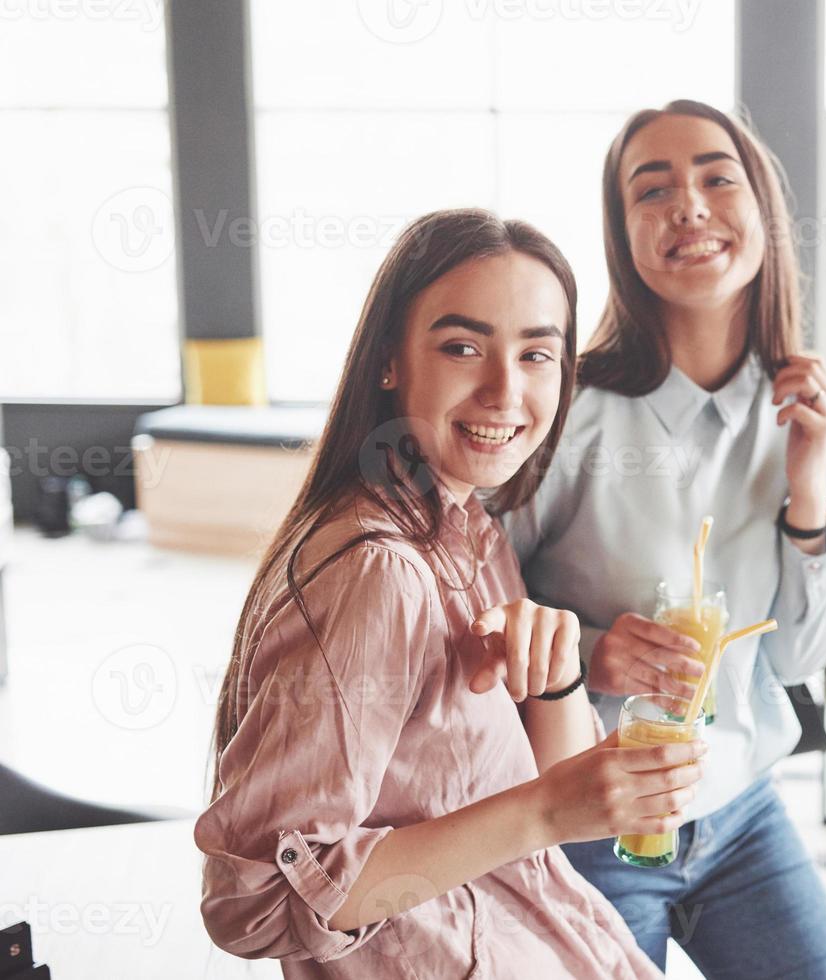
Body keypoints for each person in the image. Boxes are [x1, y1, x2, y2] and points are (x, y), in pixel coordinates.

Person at [196, 209, 703, 978]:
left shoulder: (471, 531)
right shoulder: (377, 570)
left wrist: (559, 675)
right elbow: (255, 904)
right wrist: (544, 808)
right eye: (463, 347)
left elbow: (541, 814)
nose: (506, 390)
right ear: (389, 359)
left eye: (537, 354)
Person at [502, 100, 826, 977]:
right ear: (621, 234)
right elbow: (477, 609)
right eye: (652, 189)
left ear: (761, 209)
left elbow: (797, 658)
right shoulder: (564, 411)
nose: (690, 207)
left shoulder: (817, 414)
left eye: (715, 177)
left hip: (740, 809)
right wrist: (590, 656)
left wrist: (807, 492)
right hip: (592, 816)